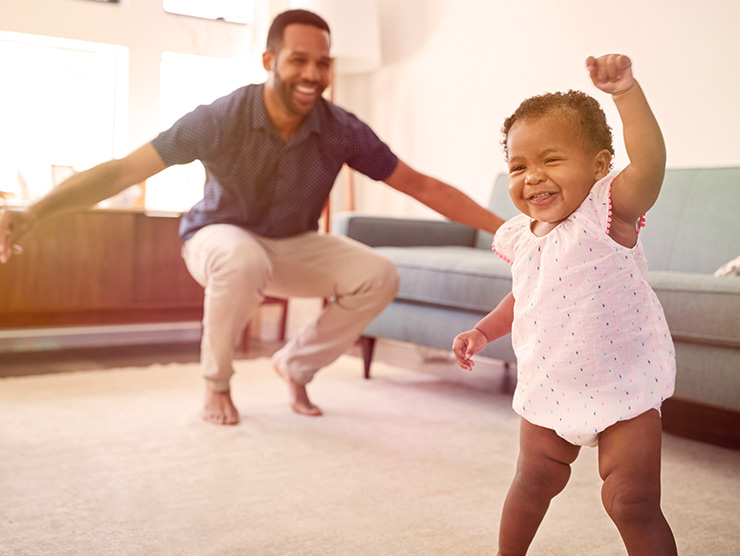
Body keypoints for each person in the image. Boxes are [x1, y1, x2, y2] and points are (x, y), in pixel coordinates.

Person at [0, 9, 504, 425]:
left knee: (379, 274)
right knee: (240, 258)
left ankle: (295, 364)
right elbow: (123, 171)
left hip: (292, 243)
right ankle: (216, 384)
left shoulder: (340, 128)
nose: (312, 74)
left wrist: (505, 228)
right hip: (217, 237)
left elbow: (418, 184)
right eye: (299, 60)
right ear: (269, 59)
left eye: (323, 63)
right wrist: (36, 212)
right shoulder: (221, 118)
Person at [452, 54, 677, 555]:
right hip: (550, 383)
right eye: (518, 165)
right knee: (531, 484)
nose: (532, 177)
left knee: (631, 500)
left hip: (623, 387)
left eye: (551, 160)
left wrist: (625, 94)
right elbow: (525, 294)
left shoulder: (607, 213)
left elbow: (651, 165)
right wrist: (485, 331)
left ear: (599, 167)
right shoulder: (520, 236)